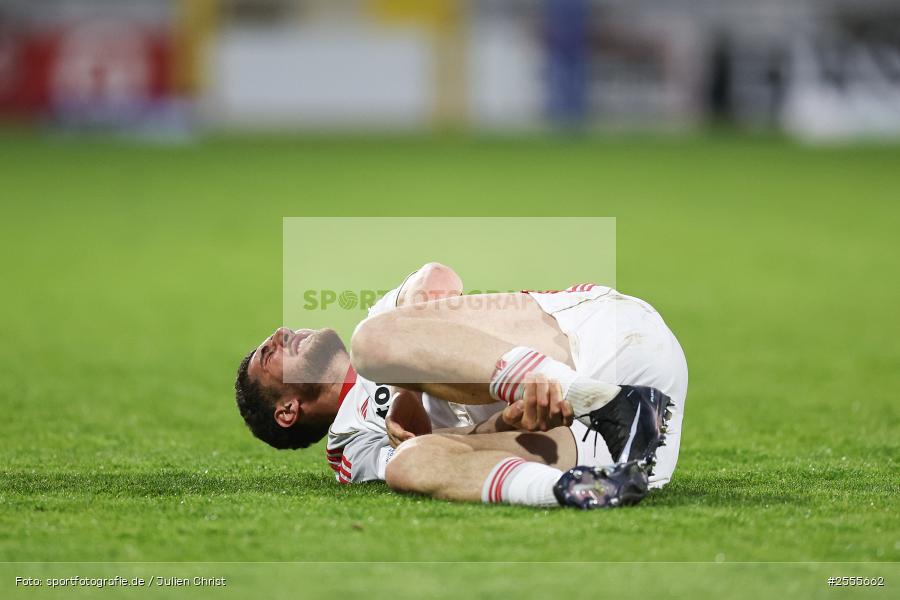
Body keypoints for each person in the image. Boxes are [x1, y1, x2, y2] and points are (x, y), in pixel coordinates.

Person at [235, 263, 687, 509]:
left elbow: (439, 278)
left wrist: (405, 380)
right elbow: (444, 458)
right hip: (618, 450)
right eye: (267, 354)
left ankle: (596, 399)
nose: (280, 333)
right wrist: (504, 422)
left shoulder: (376, 325)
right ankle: (574, 490)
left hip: (596, 338)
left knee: (372, 339)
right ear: (287, 411)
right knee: (406, 466)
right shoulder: (348, 441)